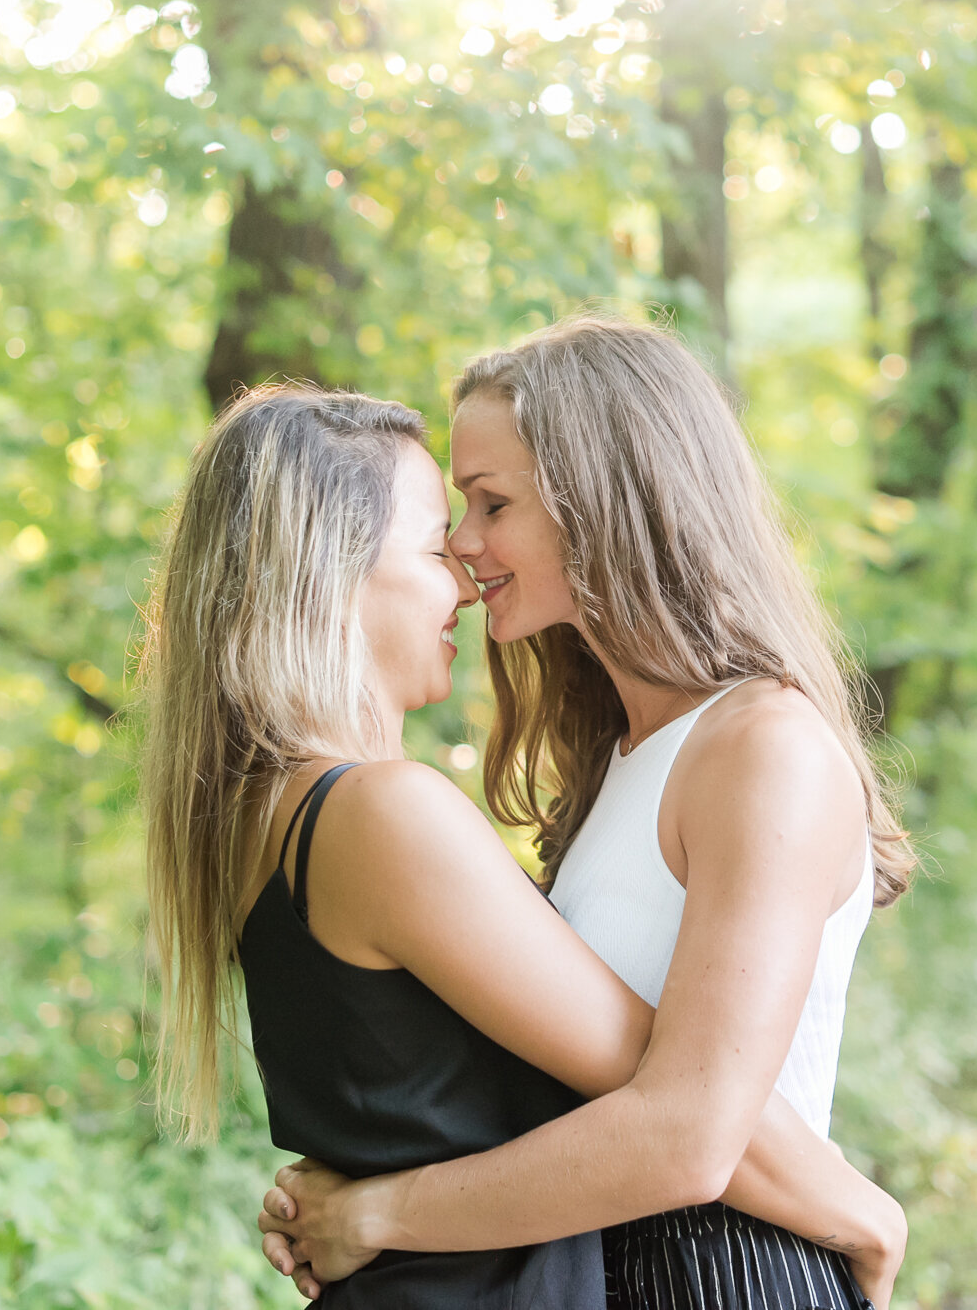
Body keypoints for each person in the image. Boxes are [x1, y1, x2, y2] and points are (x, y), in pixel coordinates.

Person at [138, 383, 904, 1310]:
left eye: (491, 511)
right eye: (434, 545)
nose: (465, 575)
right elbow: (671, 1096)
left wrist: (368, 1203)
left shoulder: (268, 816)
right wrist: (861, 1210)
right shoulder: (381, 814)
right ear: (329, 574)